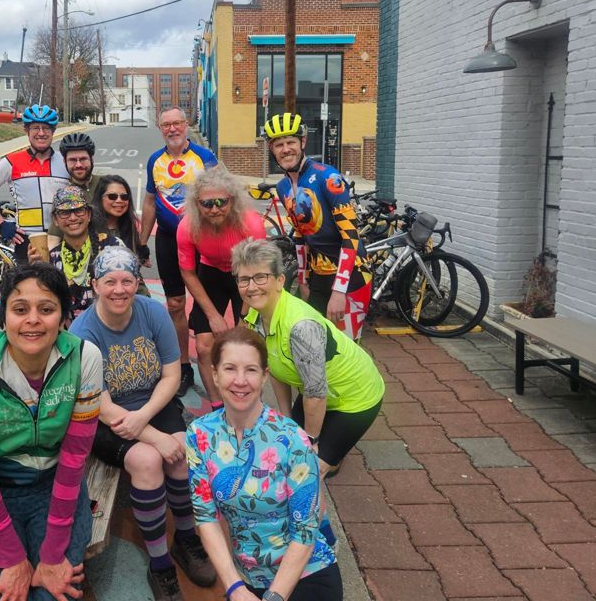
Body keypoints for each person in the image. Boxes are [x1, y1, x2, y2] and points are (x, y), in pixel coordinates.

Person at [69, 247, 215, 601]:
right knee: (149, 461)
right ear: (95, 285)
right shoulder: (83, 332)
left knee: (182, 456)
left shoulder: (153, 312)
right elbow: (101, 405)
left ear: (137, 283)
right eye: (110, 281)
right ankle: (160, 563)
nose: (119, 289)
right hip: (103, 417)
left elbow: (171, 375)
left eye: (127, 281)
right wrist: (154, 438)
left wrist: (145, 418)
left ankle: (185, 538)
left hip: (152, 403)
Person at [0, 263, 103, 601]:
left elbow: (74, 459)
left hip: (55, 485)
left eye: (46, 309)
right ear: (3, 317)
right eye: (20, 309)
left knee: (55, 594)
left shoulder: (84, 359)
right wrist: (12, 557)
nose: (33, 319)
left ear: (63, 318)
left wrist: (52, 554)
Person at [186, 326, 342, 601]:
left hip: (305, 571)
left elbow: (305, 531)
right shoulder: (199, 434)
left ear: (265, 375)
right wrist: (234, 588)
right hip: (246, 580)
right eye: (230, 368)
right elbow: (206, 517)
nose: (240, 381)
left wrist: (274, 596)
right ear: (215, 374)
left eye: (251, 370)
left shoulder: (291, 439)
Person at [234, 238, 384, 478]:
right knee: (290, 448)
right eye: (244, 279)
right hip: (320, 392)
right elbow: (275, 367)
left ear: (280, 280)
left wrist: (310, 442)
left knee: (307, 471)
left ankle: (330, 456)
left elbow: (315, 394)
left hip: (355, 397)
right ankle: (331, 450)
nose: (251, 287)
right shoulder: (256, 314)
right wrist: (286, 420)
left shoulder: (300, 327)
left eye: (260, 277)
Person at [264, 112, 372, 341]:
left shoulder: (328, 178)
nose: (286, 149)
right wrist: (303, 279)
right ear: (271, 149)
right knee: (314, 344)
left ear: (303, 142)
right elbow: (301, 236)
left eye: (291, 142)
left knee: (346, 349)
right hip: (318, 274)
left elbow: (350, 236)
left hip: (351, 275)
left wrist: (339, 291)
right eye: (279, 145)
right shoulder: (283, 187)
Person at [140, 106, 218, 397]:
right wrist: (142, 242)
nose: (172, 129)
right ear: (160, 129)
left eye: (177, 123)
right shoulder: (154, 160)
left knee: (206, 303)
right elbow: (150, 202)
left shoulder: (204, 157)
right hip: (168, 239)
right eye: (166, 125)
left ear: (186, 125)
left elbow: (223, 197)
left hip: (202, 240)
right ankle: (184, 365)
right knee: (174, 304)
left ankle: (215, 361)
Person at [177, 166, 266, 408]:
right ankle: (217, 406)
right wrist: (213, 316)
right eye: (207, 204)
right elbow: (188, 272)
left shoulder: (250, 224)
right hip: (211, 273)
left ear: (232, 200)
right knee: (204, 346)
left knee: (247, 344)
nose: (214, 209)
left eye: (221, 202)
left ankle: (249, 405)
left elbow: (257, 273)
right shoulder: (187, 226)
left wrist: (244, 318)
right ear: (197, 204)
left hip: (246, 276)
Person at [0, 104, 69, 263]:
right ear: (26, 130)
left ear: (53, 131)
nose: (41, 133)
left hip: (61, 238)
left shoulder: (65, 161)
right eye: (35, 128)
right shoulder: (12, 161)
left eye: (46, 128)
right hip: (26, 241)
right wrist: (0, 223)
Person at [29, 185, 123, 322]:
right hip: (67, 331)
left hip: (108, 327)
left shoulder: (112, 247)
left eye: (79, 211)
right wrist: (35, 272)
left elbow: (131, 288)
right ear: (55, 220)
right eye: (64, 213)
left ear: (89, 215)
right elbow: (43, 303)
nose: (73, 218)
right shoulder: (52, 258)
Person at [91, 174, 151, 295]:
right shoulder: (89, 227)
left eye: (124, 197)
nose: (119, 200)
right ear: (100, 198)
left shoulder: (129, 226)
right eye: (112, 196)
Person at [48, 132, 100, 246]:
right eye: (72, 160)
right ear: (64, 162)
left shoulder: (108, 185)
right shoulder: (63, 195)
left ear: (92, 159)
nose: (78, 165)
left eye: (83, 159)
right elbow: (53, 240)